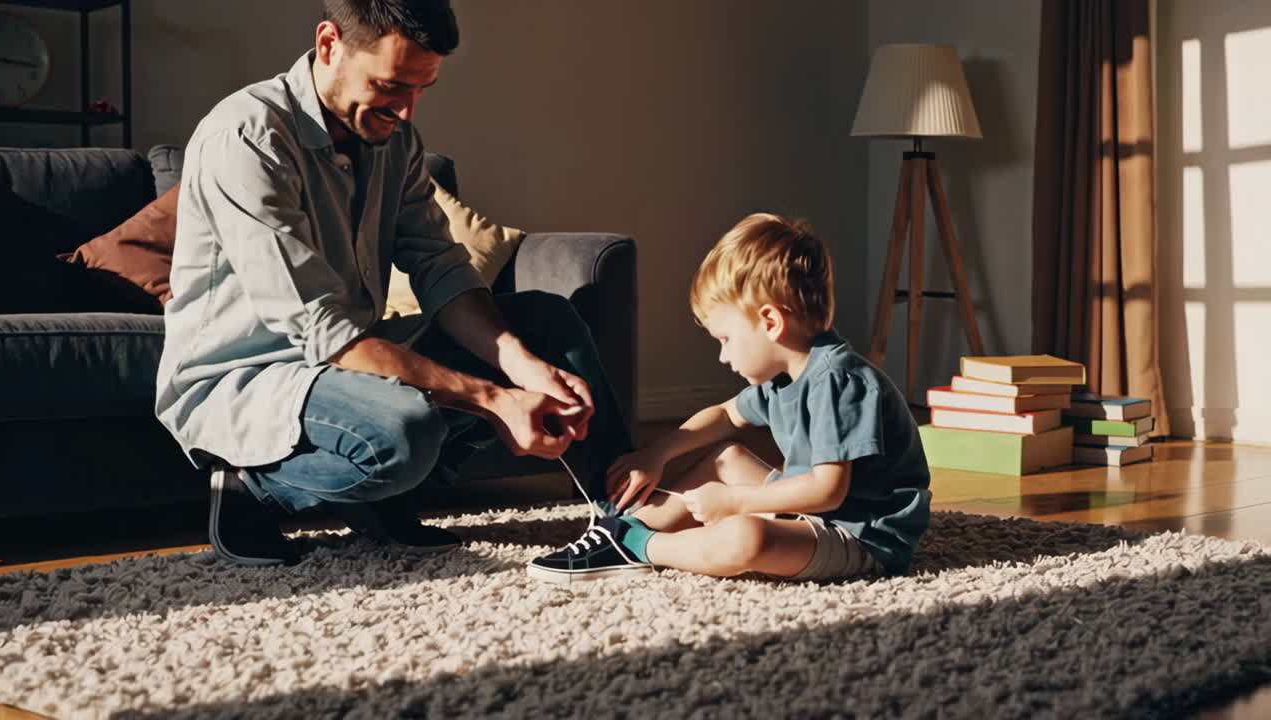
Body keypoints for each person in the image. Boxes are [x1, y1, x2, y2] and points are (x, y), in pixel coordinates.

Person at [156, 0, 633, 567]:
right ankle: (248, 487)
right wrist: (496, 399)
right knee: (403, 432)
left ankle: (628, 509)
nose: (406, 112)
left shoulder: (393, 139)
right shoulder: (248, 137)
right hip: (250, 378)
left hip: (351, 362)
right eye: (389, 86)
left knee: (544, 321)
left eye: (421, 89)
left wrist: (520, 366)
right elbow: (326, 332)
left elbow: (440, 268)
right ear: (330, 43)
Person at [528, 214, 931, 584]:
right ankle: (624, 528)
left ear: (770, 322)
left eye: (725, 339)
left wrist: (736, 502)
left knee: (746, 536)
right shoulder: (785, 377)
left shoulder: (838, 381)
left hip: (861, 534)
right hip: (819, 512)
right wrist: (658, 454)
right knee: (727, 457)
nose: (723, 355)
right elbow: (724, 415)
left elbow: (828, 492)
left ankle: (641, 547)